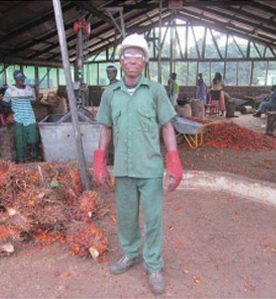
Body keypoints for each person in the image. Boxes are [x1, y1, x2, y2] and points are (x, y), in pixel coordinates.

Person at [94, 33, 183, 295]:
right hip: (123, 168)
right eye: (127, 55)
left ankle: (153, 265)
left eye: (137, 55)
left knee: (153, 219)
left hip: (151, 169)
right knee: (126, 218)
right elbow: (105, 129)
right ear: (121, 61)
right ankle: (131, 254)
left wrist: (174, 161)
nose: (132, 60)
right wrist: (100, 162)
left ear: (144, 60)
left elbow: (167, 126)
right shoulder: (110, 94)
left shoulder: (155, 91)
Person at [1, 70, 39, 163]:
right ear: (16, 80)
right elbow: (5, 103)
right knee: (20, 141)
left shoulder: (29, 89)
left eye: (23, 79)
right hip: (18, 118)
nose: (23, 81)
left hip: (30, 117)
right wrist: (10, 112)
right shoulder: (10, 90)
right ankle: (21, 159)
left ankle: (35, 156)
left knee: (33, 139)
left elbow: (32, 101)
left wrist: (38, 98)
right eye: (20, 80)